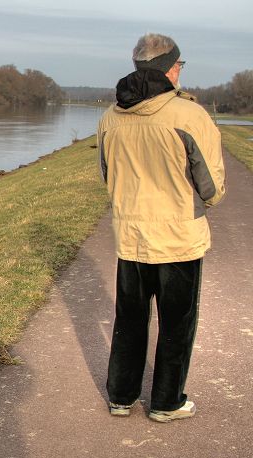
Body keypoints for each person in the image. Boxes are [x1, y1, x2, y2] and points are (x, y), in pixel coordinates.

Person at [97, 33, 226, 422]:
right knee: (177, 324)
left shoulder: (110, 117)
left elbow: (106, 175)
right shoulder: (189, 115)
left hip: (132, 237)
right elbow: (212, 187)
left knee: (130, 320)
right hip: (178, 240)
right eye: (180, 65)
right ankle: (167, 402)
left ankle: (121, 396)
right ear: (171, 66)